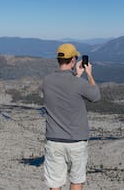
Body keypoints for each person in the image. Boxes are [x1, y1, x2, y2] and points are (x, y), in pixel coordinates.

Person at [41, 43, 101, 190]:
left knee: (55, 183)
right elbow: (95, 96)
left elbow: (65, 88)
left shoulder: (47, 81)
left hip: (54, 141)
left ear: (58, 59)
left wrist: (76, 75)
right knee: (76, 181)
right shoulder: (79, 83)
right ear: (73, 60)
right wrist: (89, 74)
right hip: (77, 141)